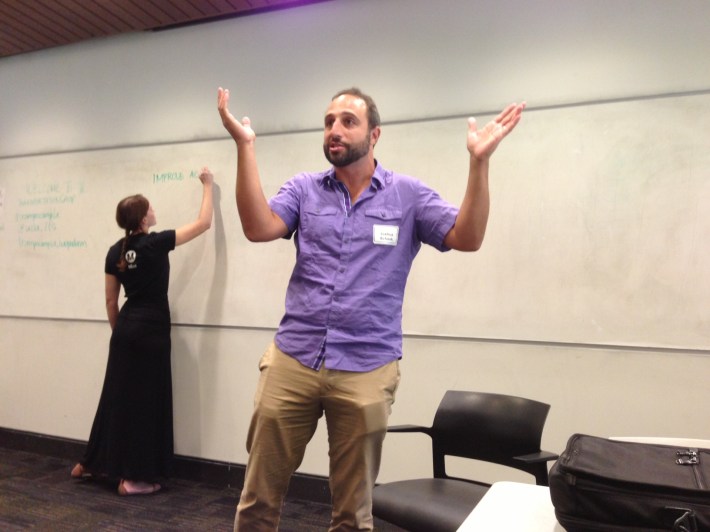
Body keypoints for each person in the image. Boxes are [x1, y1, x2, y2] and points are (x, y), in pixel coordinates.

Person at [217, 86, 524, 531]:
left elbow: (468, 238)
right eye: (328, 122)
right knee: (258, 498)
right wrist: (245, 148)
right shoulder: (304, 189)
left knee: (352, 511)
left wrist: (479, 163)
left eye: (347, 121)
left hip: (367, 365)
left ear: (374, 134)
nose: (334, 130)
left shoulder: (408, 195)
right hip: (294, 358)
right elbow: (257, 227)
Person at [70, 167, 215, 496]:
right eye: (148, 207)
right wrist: (208, 186)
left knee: (115, 398)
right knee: (146, 404)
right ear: (142, 218)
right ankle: (134, 479)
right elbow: (204, 223)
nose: (153, 210)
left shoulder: (114, 252)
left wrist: (120, 333)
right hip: (151, 332)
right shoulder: (156, 243)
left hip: (124, 330)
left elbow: (110, 301)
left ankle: (91, 463)